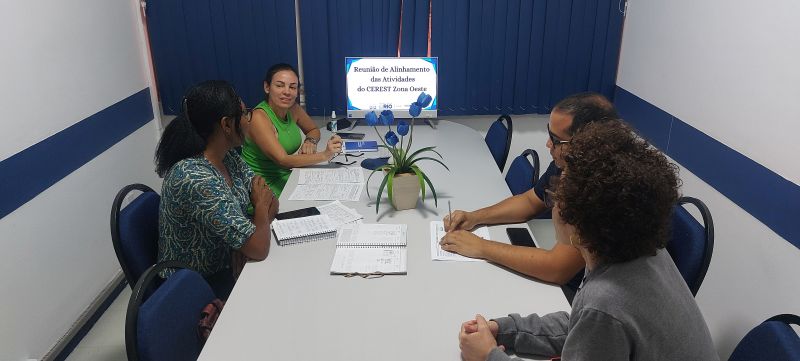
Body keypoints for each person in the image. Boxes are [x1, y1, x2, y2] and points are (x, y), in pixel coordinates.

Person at [458, 120, 718, 361]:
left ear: (580, 225)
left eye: (557, 194)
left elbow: (596, 318)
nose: (553, 203)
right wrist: (506, 330)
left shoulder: (606, 301)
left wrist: (488, 356)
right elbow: (583, 325)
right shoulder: (643, 252)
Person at [441, 92, 618, 286]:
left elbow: (557, 269)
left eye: (556, 139)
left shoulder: (602, 188)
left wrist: (481, 247)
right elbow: (530, 201)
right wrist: (475, 217)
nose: (548, 144)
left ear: (588, 143)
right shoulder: (568, 164)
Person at [154, 80, 278, 300]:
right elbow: (259, 248)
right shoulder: (195, 178)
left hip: (226, 264)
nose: (248, 120)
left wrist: (241, 243)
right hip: (193, 287)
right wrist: (257, 213)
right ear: (227, 125)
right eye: (245, 114)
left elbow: (271, 199)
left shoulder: (227, 156)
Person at [241, 63, 342, 197]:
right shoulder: (259, 117)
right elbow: (282, 160)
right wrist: (325, 155)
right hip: (263, 188)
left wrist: (310, 141)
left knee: (334, 187)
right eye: (280, 85)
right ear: (267, 87)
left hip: (287, 175)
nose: (287, 92)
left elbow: (313, 129)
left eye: (292, 87)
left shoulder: (292, 108)